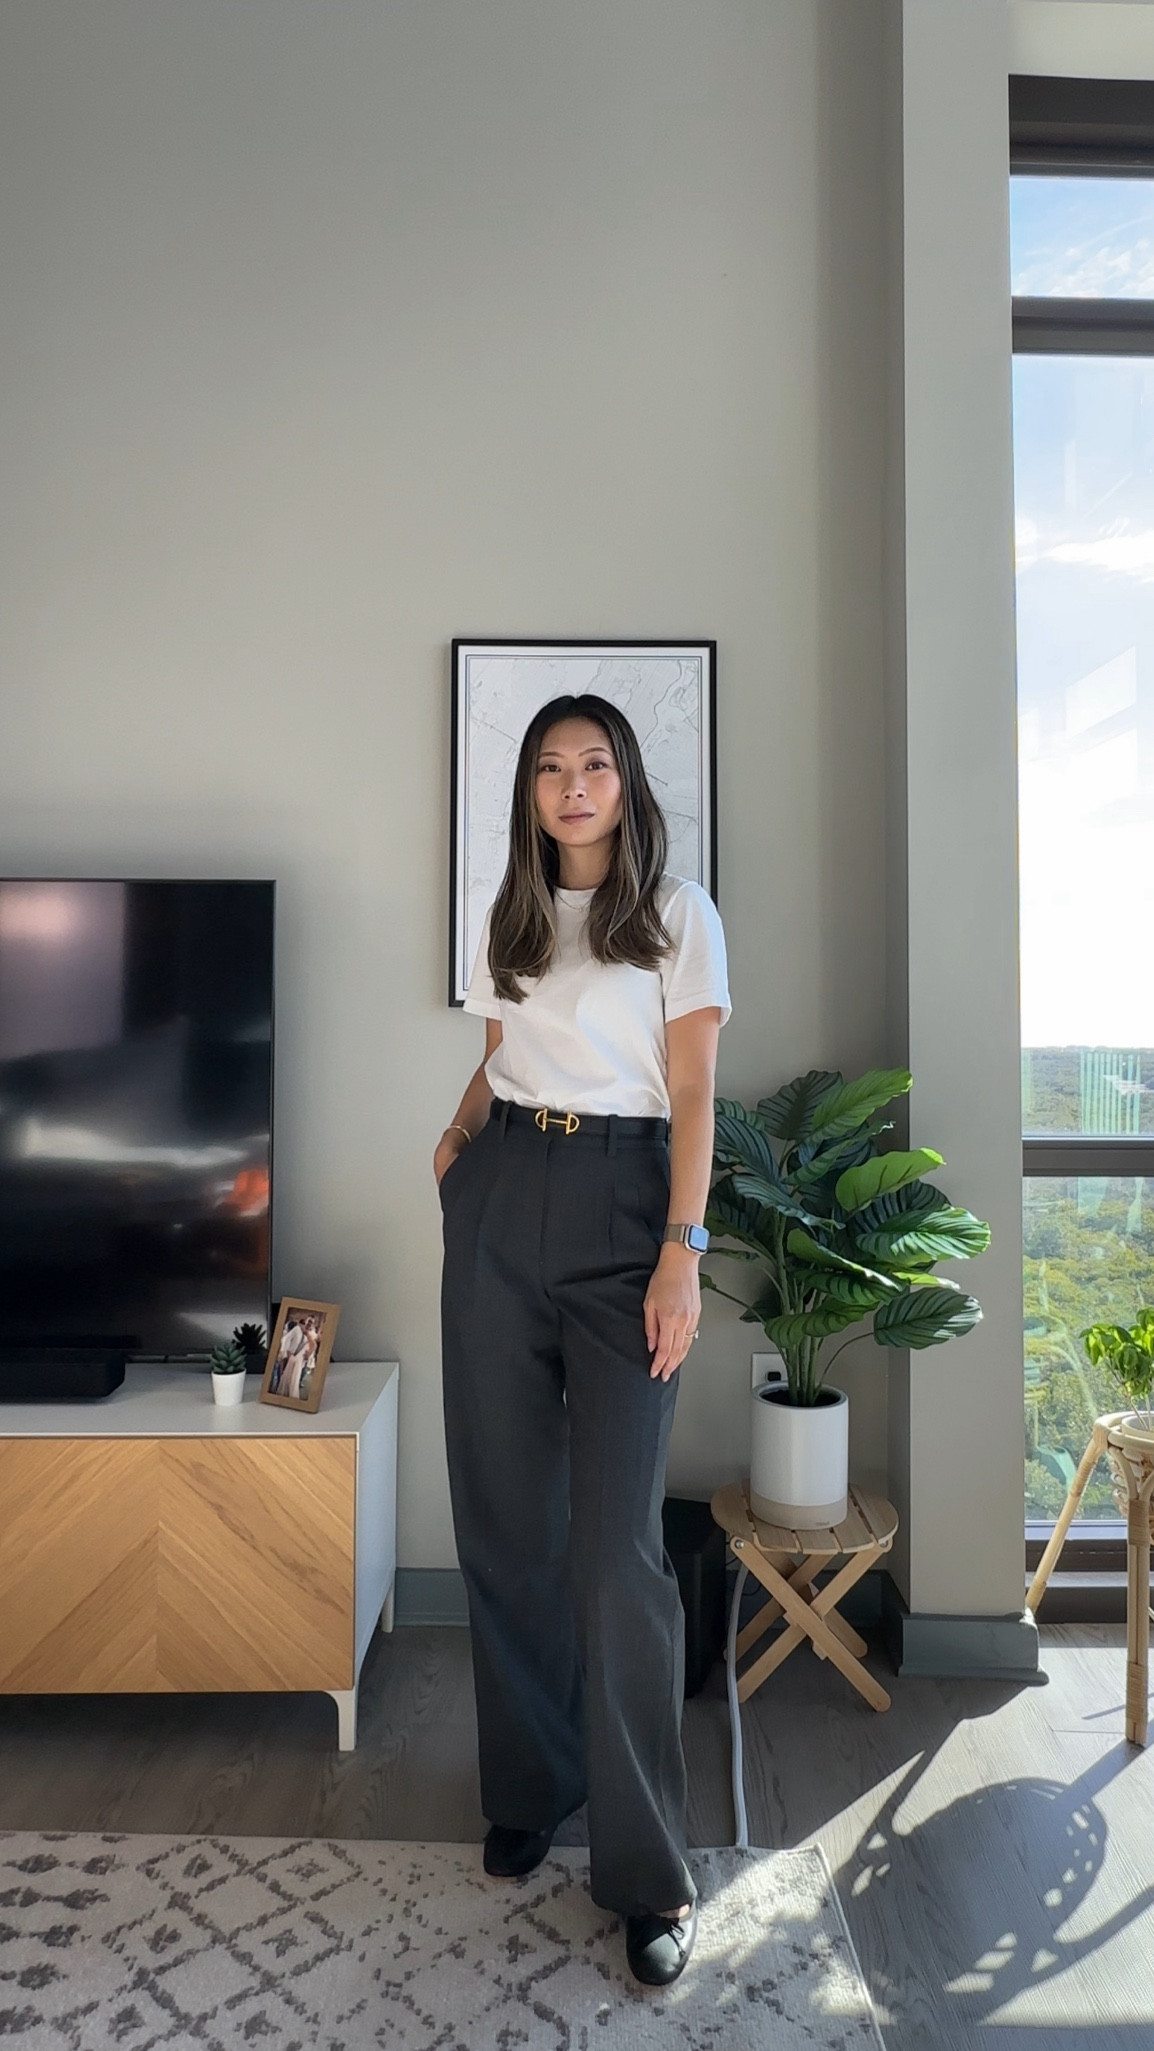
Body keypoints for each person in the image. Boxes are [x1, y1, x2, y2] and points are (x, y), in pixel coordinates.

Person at [434, 692, 731, 1990]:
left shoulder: (674, 912)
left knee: (617, 1553)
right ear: (529, 791)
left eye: (593, 764)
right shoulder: (503, 913)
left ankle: (647, 1871)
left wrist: (682, 1250)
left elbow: (693, 1088)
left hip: (626, 1214)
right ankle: (530, 1786)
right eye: (550, 768)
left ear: (625, 782)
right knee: (504, 1519)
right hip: (501, 1194)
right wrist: (453, 1142)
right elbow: (506, 1047)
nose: (572, 787)